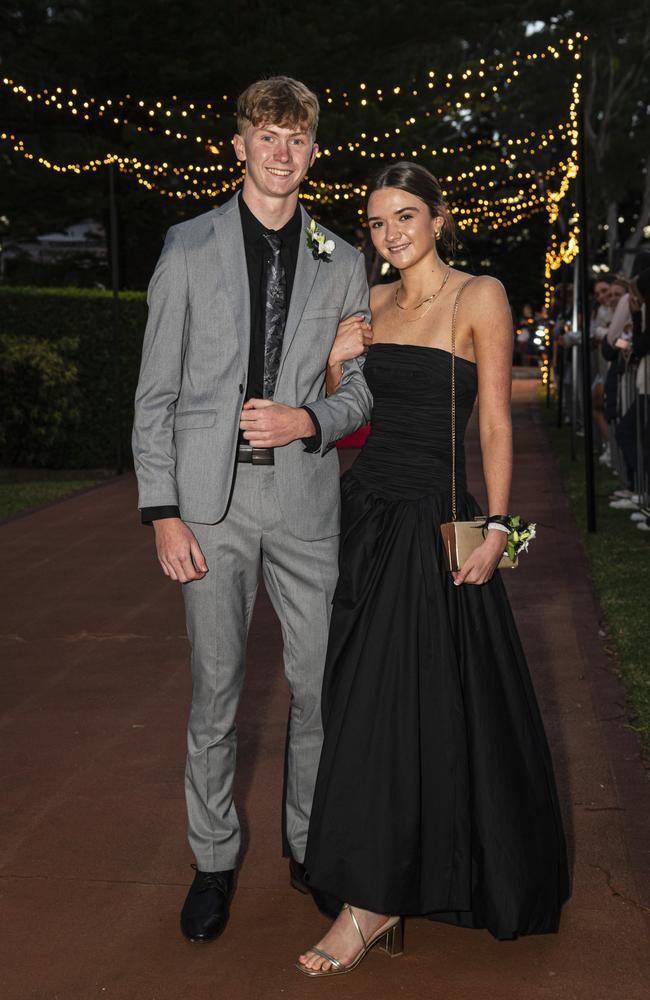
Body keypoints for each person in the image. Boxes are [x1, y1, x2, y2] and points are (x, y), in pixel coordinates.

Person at [294, 163, 570, 976]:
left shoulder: (479, 295)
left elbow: (493, 419)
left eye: (406, 217)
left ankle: (374, 901)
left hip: (436, 518)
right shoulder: (370, 305)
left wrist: (499, 528)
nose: (392, 235)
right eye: (378, 223)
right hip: (364, 514)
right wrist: (338, 363)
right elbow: (351, 416)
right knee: (352, 696)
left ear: (439, 218)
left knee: (419, 701)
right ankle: (372, 867)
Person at [132, 76, 373, 943]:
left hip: (306, 501)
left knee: (318, 688)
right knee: (219, 693)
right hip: (210, 508)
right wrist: (163, 509)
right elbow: (155, 394)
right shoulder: (189, 245)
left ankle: (309, 844)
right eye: (266, 135)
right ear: (239, 144)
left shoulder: (342, 260)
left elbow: (360, 394)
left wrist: (311, 415)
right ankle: (214, 860)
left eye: (297, 140)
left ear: (313, 153)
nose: (282, 152)